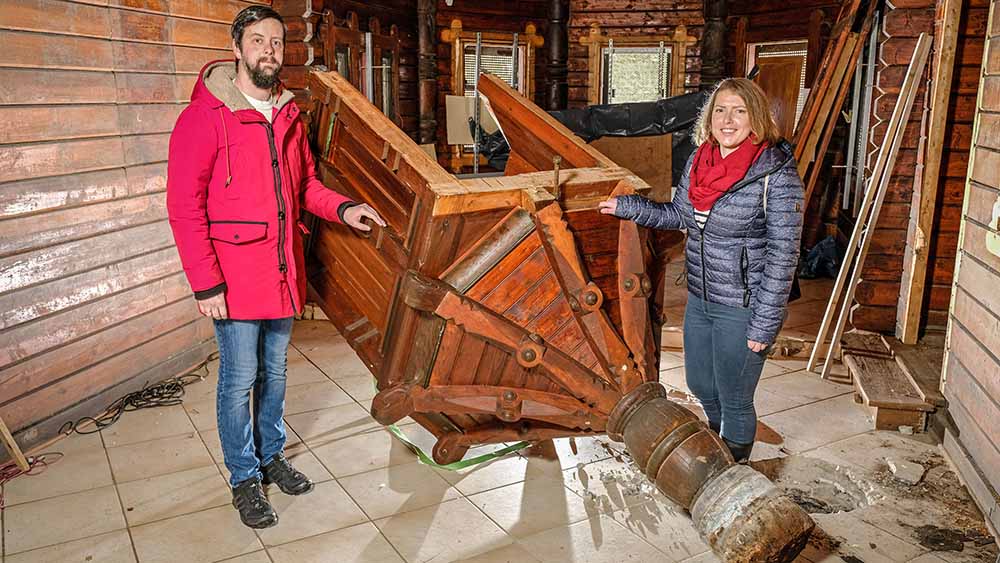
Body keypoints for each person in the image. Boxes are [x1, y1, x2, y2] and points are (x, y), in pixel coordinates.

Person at [166, 6, 385, 529]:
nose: (269, 50)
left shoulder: (288, 114)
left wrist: (344, 208)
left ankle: (271, 457)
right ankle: (245, 478)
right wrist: (206, 284)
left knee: (277, 373)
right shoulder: (203, 117)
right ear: (236, 48)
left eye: (277, 42)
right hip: (233, 280)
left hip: (282, 270)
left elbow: (304, 186)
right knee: (239, 380)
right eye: (258, 40)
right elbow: (183, 207)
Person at [598, 78, 804, 463]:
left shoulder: (775, 173)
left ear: (756, 118)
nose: (728, 120)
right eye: (720, 110)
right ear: (709, 118)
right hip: (701, 297)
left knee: (735, 396)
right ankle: (718, 444)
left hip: (743, 305)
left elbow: (784, 255)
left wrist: (764, 323)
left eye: (739, 111)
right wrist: (629, 207)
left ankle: (733, 465)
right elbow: (680, 216)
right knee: (701, 384)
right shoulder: (699, 161)